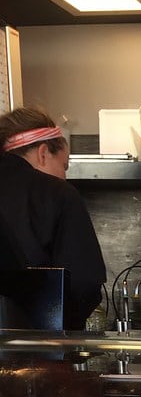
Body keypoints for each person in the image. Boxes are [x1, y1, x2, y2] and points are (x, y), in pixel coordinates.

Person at [0, 106, 106, 329]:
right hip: (35, 352)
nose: (64, 175)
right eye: (64, 165)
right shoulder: (59, 193)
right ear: (43, 152)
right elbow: (84, 284)